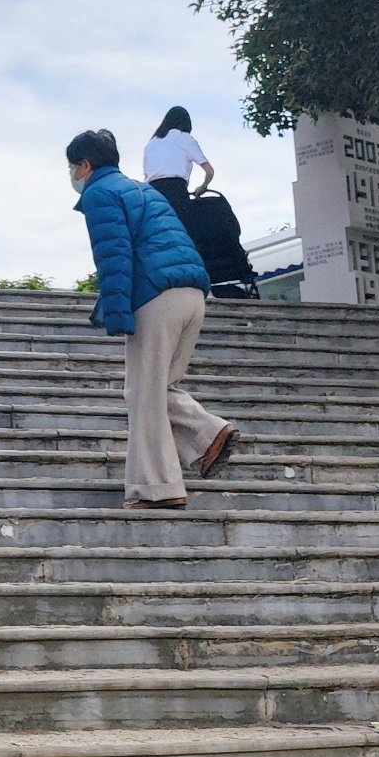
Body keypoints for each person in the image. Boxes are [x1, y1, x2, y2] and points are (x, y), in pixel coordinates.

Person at [68, 127, 237, 509]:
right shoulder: (142, 190)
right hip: (193, 295)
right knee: (160, 388)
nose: (73, 175)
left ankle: (156, 487)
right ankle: (209, 433)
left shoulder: (101, 193)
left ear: (86, 164)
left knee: (142, 394)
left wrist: (118, 315)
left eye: (73, 166)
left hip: (157, 298)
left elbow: (114, 257)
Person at [143, 106, 215, 221]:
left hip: (151, 195)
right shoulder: (185, 138)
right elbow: (210, 172)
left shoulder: (151, 144)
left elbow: (147, 175)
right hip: (176, 192)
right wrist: (203, 186)